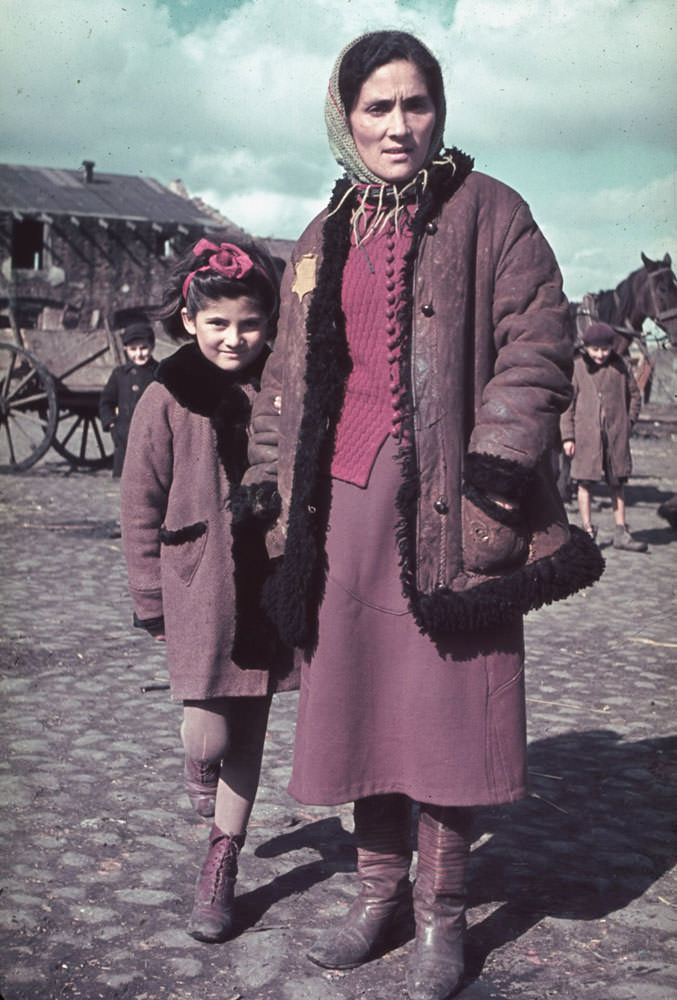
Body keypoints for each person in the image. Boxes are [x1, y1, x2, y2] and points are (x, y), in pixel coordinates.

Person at [242, 30, 604, 1000]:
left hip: (453, 506)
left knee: (445, 716)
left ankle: (443, 916)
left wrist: (493, 473)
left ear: (438, 111)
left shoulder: (493, 214)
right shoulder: (321, 238)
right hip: (346, 513)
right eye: (376, 107)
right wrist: (275, 500)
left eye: (415, 104)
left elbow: (537, 344)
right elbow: (285, 382)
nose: (398, 125)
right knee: (364, 708)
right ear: (343, 117)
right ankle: (378, 898)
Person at [120, 236, 297, 944]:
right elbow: (139, 503)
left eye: (249, 323)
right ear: (190, 320)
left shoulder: (282, 393)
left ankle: (221, 863)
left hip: (268, 583)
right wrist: (149, 602)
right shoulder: (165, 398)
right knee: (209, 725)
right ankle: (197, 758)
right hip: (196, 584)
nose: (235, 338)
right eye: (218, 323)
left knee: (250, 726)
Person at [560, 321, 647, 552]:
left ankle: (621, 531)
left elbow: (635, 396)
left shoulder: (621, 366)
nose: (600, 354)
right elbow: (567, 405)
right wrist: (568, 437)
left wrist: (627, 424)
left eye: (605, 349)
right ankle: (587, 531)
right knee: (584, 483)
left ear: (612, 347)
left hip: (615, 438)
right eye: (595, 349)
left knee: (617, 482)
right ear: (586, 347)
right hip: (586, 438)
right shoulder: (577, 367)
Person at [99, 319, 158, 478]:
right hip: (124, 440)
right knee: (123, 485)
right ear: (126, 349)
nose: (139, 354)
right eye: (133, 349)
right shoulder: (120, 375)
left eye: (143, 348)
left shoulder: (160, 374)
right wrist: (111, 424)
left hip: (152, 442)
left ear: (152, 346)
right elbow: (106, 402)